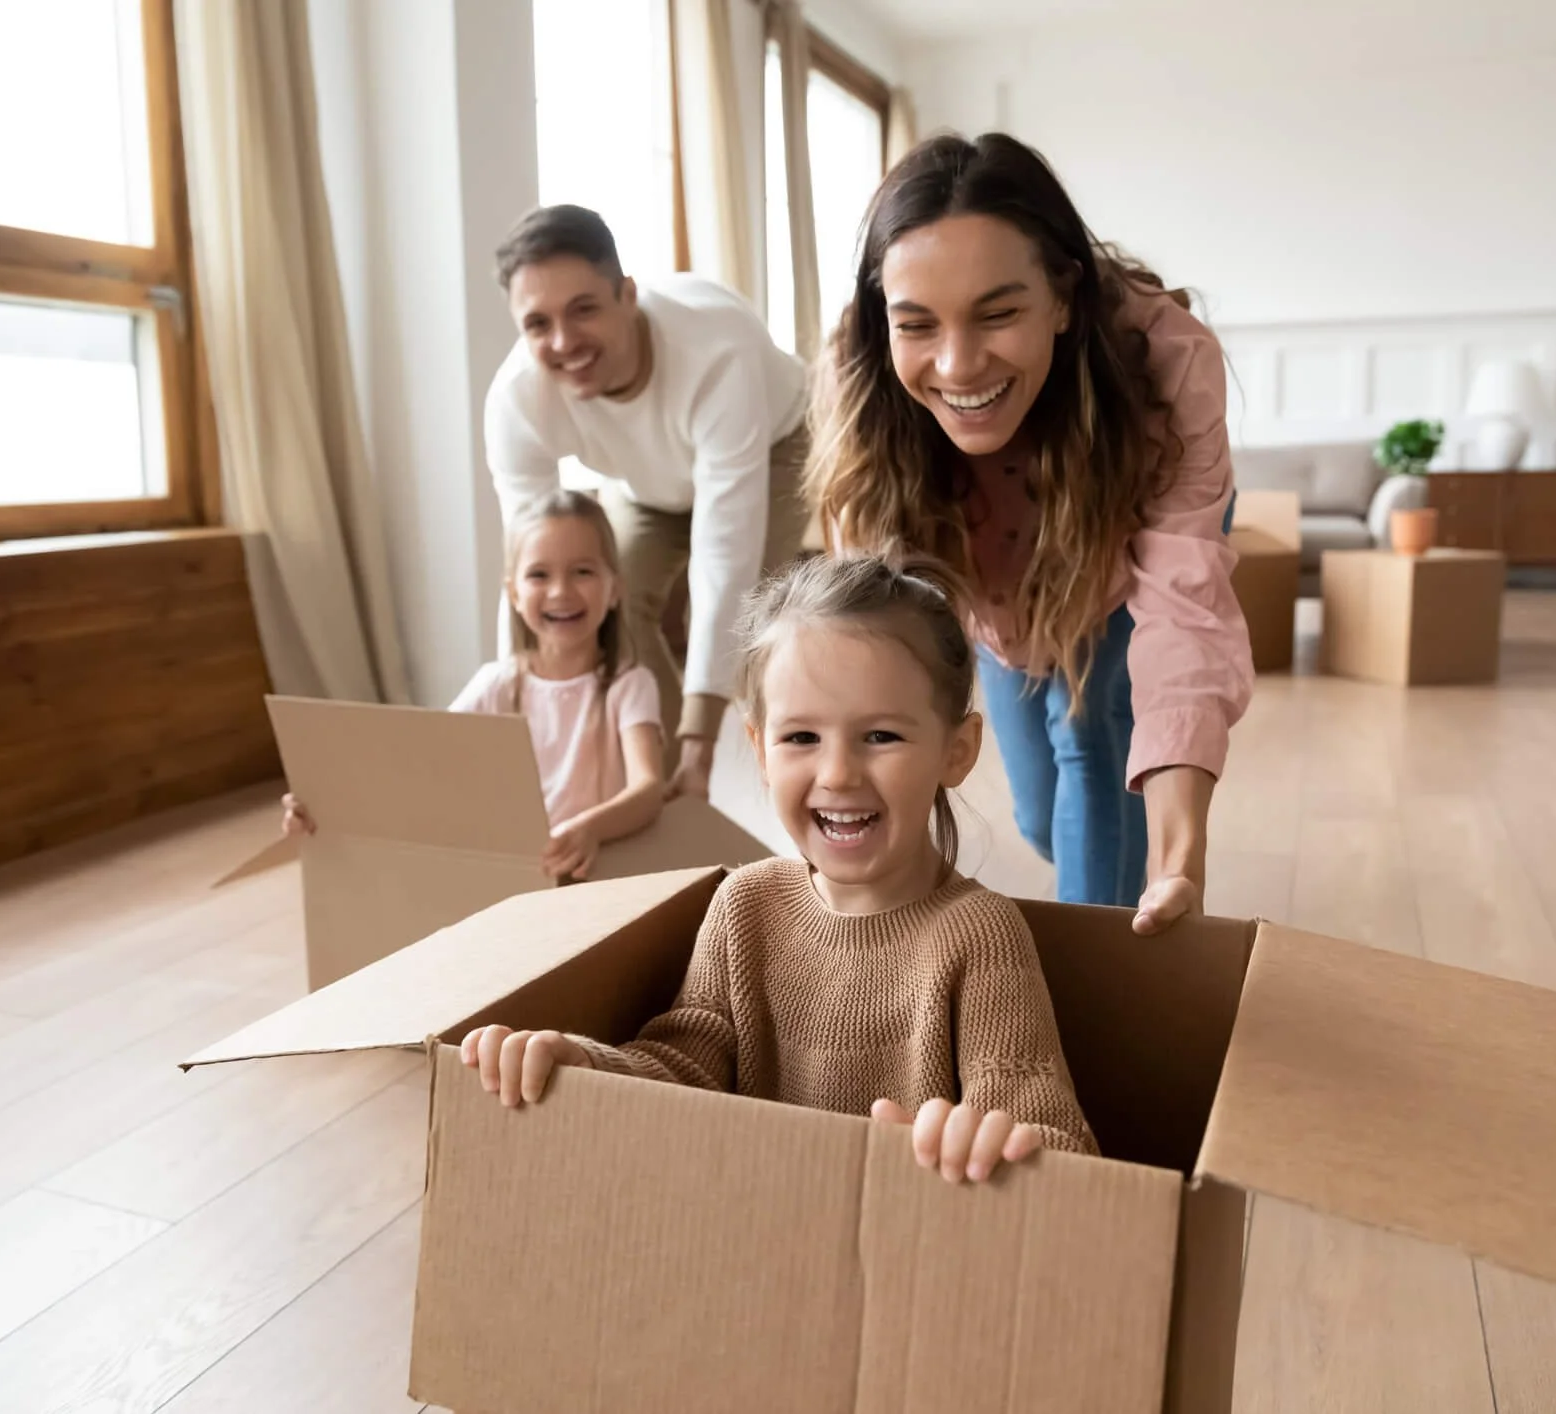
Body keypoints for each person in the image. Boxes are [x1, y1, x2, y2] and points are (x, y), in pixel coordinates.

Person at [461, 554, 1098, 1184]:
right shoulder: (744, 905)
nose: (838, 774)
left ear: (955, 753)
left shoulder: (981, 936)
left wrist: (988, 1147)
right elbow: (686, 1068)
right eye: (801, 738)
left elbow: (1060, 1143)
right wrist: (585, 1066)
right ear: (760, 751)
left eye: (881, 736)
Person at [807, 133, 1253, 931]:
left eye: (998, 314)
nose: (958, 365)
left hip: (1124, 557)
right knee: (1044, 820)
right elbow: (866, 621)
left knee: (1089, 745)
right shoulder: (862, 370)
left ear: (1064, 299)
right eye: (918, 325)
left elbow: (1183, 619)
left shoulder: (1167, 361)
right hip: (994, 590)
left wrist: (1178, 859)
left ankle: (1098, 982)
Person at [483, 204, 811, 804]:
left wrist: (700, 741)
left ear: (626, 295)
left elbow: (724, 552)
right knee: (608, 598)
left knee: (747, 630)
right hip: (645, 481)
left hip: (774, 445)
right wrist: (515, 723)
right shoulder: (515, 401)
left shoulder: (716, 349)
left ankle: (750, 777)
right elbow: (529, 570)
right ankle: (652, 790)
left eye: (584, 309)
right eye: (537, 324)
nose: (563, 342)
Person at [284, 491, 663, 883]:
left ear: (615, 588)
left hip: (596, 879)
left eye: (582, 571)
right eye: (539, 575)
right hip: (509, 877)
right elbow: (418, 761)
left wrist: (589, 830)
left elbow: (648, 788)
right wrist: (327, 805)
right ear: (514, 593)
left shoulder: (629, 685)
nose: (559, 591)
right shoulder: (495, 685)